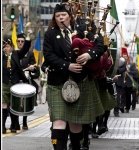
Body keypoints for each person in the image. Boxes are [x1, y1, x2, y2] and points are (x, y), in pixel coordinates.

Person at [43, 3, 105, 150]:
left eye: (63, 15)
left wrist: (90, 55)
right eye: (57, 16)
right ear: (54, 18)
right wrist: (67, 65)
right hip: (57, 82)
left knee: (75, 123)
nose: (60, 18)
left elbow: (100, 44)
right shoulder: (50, 33)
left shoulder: (83, 29)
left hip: (80, 82)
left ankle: (76, 145)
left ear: (69, 16)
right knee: (59, 122)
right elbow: (48, 55)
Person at [2, 34, 31, 134]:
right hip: (4, 84)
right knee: (4, 104)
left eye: (8, 46)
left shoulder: (16, 54)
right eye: (5, 46)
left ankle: (14, 125)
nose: (7, 48)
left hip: (15, 84)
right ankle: (2, 126)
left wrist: (28, 38)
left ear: (12, 47)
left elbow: (25, 49)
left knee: (13, 106)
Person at [16, 33, 40, 130]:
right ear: (16, 42)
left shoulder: (29, 53)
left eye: (22, 41)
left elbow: (35, 67)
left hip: (26, 80)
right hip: (15, 80)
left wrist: (32, 68)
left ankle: (25, 122)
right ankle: (15, 122)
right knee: (14, 101)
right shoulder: (13, 52)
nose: (20, 43)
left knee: (26, 101)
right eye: (19, 41)